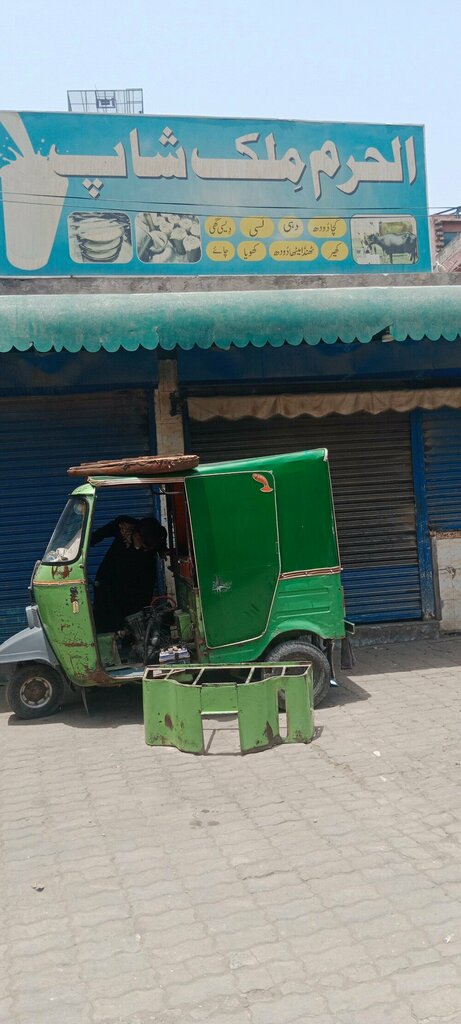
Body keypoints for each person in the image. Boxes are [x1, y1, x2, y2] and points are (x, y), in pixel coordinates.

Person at [90, 515, 167, 633]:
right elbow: (98, 535)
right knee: (106, 616)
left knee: (136, 620)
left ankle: (136, 645)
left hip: (136, 587)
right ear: (136, 534)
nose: (144, 549)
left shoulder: (155, 537)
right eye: (143, 544)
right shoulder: (124, 528)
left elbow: (161, 548)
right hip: (111, 582)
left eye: (148, 548)